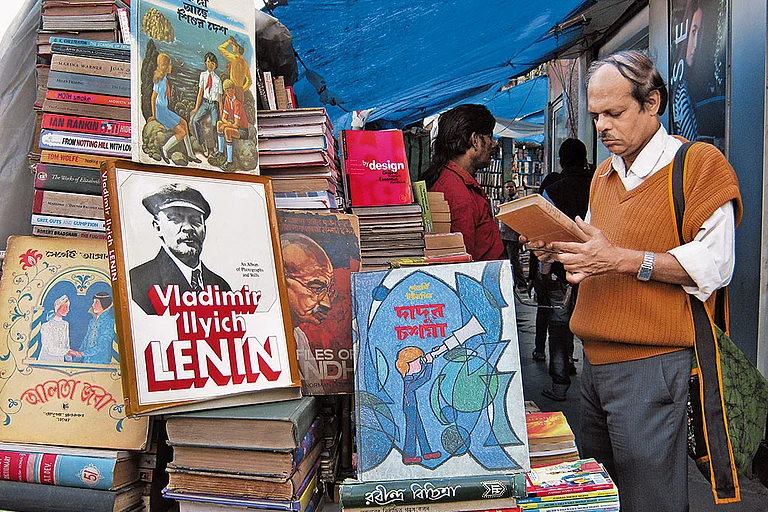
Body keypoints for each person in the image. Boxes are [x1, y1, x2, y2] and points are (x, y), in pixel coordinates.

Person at [525, 51, 741, 511]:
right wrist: (557, 250)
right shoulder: (603, 173)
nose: (602, 127)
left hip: (652, 366)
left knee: (651, 500)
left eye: (614, 113)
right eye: (595, 115)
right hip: (595, 366)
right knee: (602, 497)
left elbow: (715, 265)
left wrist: (622, 260)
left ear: (652, 103)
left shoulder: (698, 164)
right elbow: (593, 257)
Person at [538, 138, 593, 401]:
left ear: (561, 161)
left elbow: (542, 230)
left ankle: (560, 383)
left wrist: (544, 266)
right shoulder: (599, 185)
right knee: (594, 325)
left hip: (562, 268)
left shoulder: (553, 190)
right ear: (584, 159)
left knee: (559, 326)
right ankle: (596, 385)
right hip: (596, 269)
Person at [130, 183, 231, 315]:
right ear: (158, 227)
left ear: (204, 229)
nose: (188, 228)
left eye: (195, 220)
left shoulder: (221, 286)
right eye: (176, 219)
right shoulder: (136, 282)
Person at [420, 104, 504, 262]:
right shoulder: (456, 192)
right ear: (475, 140)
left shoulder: (455, 182)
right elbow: (461, 261)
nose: (493, 144)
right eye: (490, 137)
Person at [281, 233, 337, 394]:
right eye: (316, 287)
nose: (327, 303)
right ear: (280, 279)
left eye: (328, 291)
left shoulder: (299, 337)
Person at [149, 53, 202, 165]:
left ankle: (190, 154)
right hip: (161, 113)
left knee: (184, 122)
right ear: (165, 66)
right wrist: (154, 116)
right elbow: (153, 97)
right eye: (170, 65)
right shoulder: (159, 80)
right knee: (181, 132)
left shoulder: (164, 79)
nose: (171, 67)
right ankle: (165, 149)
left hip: (165, 110)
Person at [396, 346, 441, 465]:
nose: (421, 363)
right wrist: (429, 364)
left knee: (420, 430)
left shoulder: (410, 377)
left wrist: (429, 360)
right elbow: (425, 378)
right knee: (411, 431)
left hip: (411, 406)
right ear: (409, 364)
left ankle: (426, 452)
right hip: (409, 407)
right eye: (418, 361)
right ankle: (408, 456)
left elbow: (420, 372)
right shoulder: (409, 382)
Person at [190, 52, 223, 158]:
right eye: (208, 62)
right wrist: (196, 108)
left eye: (212, 63)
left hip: (213, 105)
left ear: (215, 65)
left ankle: (215, 146)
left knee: (214, 124)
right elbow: (200, 92)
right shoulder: (203, 75)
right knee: (195, 120)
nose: (210, 64)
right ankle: (202, 144)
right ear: (205, 62)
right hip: (204, 103)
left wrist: (222, 115)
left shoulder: (218, 79)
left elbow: (220, 99)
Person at [214, 79, 250, 172]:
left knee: (227, 130)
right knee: (219, 124)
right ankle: (221, 152)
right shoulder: (227, 99)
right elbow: (223, 118)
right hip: (234, 125)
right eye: (227, 90)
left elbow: (236, 125)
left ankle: (229, 161)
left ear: (234, 90)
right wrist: (226, 123)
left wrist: (227, 125)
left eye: (231, 90)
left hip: (242, 130)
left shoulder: (237, 104)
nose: (229, 92)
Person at [499, 179, 525, 287]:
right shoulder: (505, 200)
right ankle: (511, 283)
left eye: (511, 187)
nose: (509, 189)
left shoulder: (518, 201)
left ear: (515, 188)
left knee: (514, 260)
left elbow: (522, 218)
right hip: (504, 234)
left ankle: (522, 284)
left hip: (513, 236)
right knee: (506, 260)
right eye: (507, 187)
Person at [38, 294, 81, 362]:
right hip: (46, 361)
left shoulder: (65, 324)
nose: (68, 310)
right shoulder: (46, 326)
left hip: (59, 362)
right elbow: (49, 348)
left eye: (68, 307)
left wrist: (69, 358)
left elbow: (66, 345)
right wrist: (68, 351)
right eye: (65, 307)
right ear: (58, 307)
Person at [80, 291, 115, 365]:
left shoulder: (108, 322)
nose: (93, 305)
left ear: (104, 304)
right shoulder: (92, 321)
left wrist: (83, 353)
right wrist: (77, 356)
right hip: (87, 361)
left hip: (101, 362)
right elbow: (85, 340)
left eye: (96, 302)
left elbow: (102, 345)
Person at [218, 36, 252, 103]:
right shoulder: (245, 63)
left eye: (233, 45)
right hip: (240, 92)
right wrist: (241, 89)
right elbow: (249, 81)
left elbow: (220, 48)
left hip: (232, 91)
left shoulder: (234, 58)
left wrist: (228, 42)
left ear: (238, 48)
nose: (232, 46)